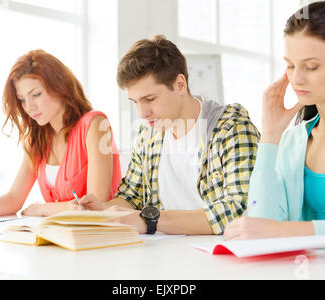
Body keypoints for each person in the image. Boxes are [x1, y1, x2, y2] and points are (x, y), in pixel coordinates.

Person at [224, 1, 325, 249]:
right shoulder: (295, 140)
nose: (297, 78)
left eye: (311, 66)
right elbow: (263, 224)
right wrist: (271, 136)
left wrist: (288, 231)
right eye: (290, 65)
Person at [79, 35, 260, 235]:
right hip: (164, 254)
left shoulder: (231, 129)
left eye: (149, 98)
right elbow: (132, 196)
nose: (142, 113)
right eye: (134, 101)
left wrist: (149, 220)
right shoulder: (148, 134)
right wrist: (103, 210)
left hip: (219, 255)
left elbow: (239, 210)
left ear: (180, 84)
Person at [0, 49, 121, 220]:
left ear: (60, 87)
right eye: (22, 100)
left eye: (36, 95)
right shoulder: (38, 139)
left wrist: (43, 209)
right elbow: (14, 199)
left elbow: (95, 206)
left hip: (98, 242)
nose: (29, 107)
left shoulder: (96, 125)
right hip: (60, 241)